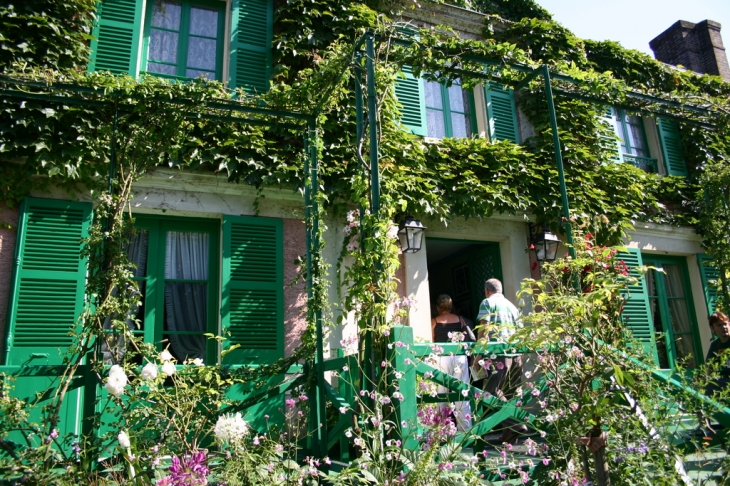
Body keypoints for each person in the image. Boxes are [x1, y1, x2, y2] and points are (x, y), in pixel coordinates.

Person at [476, 278, 526, 443]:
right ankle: (509, 434)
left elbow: (484, 329)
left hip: (498, 354)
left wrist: (478, 354)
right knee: (511, 393)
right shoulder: (512, 306)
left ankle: (515, 424)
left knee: (491, 391)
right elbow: (521, 332)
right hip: (516, 353)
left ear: (486, 290)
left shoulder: (487, 302)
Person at [431, 294, 473, 429]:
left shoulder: (435, 321)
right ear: (451, 307)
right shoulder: (460, 320)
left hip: (441, 357)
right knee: (462, 391)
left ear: (437, 307)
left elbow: (432, 341)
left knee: (440, 392)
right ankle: (465, 429)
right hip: (459, 356)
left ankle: (439, 429)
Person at [705, 311, 730, 397]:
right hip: (726, 380)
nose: (724, 327)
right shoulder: (715, 345)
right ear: (712, 328)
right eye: (719, 325)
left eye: (725, 324)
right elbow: (708, 367)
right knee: (707, 388)